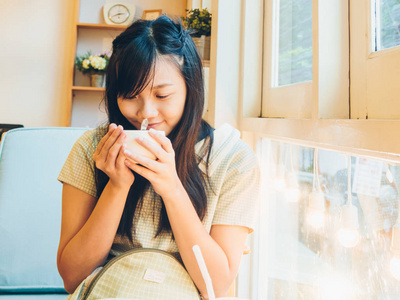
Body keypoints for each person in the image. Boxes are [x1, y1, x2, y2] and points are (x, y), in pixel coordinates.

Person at [57, 16, 260, 298]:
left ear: (191, 88)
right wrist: (117, 186)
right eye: (130, 95)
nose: (146, 113)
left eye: (162, 95)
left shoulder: (232, 160)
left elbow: (216, 285)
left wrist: (172, 189)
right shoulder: (93, 148)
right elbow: (72, 276)